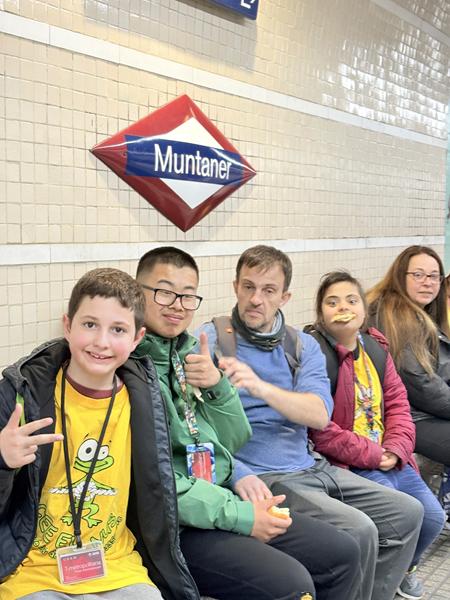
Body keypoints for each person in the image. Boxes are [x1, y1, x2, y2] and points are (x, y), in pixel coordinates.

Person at [198, 244, 424, 600]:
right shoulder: (210, 340)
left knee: (409, 512)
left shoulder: (301, 344)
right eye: (248, 287)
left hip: (313, 465)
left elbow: (318, 413)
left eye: (269, 290)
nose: (256, 299)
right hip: (263, 473)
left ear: (285, 297)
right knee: (360, 530)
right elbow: (195, 424)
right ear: (235, 287)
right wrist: (237, 472)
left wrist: (258, 386)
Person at [135, 246, 361, 600]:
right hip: (178, 524)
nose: (177, 305)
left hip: (223, 494)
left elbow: (234, 439)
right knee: (293, 583)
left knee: (342, 552)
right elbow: (157, 484)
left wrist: (217, 387)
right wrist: (242, 515)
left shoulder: (187, 353)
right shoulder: (133, 370)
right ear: (138, 294)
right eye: (164, 292)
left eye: (188, 295)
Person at [0, 268, 198, 600]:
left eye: (118, 329)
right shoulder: (21, 394)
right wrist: (2, 460)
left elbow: (160, 486)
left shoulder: (144, 401)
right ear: (67, 326)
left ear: (137, 338)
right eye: (90, 324)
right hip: (33, 573)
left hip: (118, 567)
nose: (101, 342)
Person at [305, 270, 445, 600]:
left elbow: (398, 405)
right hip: (350, 464)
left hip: (390, 457)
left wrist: (395, 448)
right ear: (321, 313)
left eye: (351, 300)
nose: (343, 307)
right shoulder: (316, 355)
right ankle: (371, 587)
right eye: (332, 302)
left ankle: (402, 570)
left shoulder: (376, 349)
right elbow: (320, 431)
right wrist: (372, 455)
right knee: (400, 516)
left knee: (433, 518)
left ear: (364, 309)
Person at [367, 246, 450, 468]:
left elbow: (441, 366)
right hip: (407, 417)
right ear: (400, 276)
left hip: (422, 410)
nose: (427, 282)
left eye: (434, 276)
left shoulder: (420, 312)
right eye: (418, 275)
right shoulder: (394, 315)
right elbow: (419, 382)